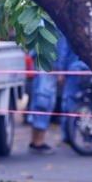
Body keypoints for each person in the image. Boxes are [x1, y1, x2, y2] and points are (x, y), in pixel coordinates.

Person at [27, 26, 71, 154]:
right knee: (44, 99)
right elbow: (62, 46)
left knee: (40, 98)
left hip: (43, 59)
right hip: (49, 62)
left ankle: (36, 141)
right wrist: (61, 69)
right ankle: (38, 142)